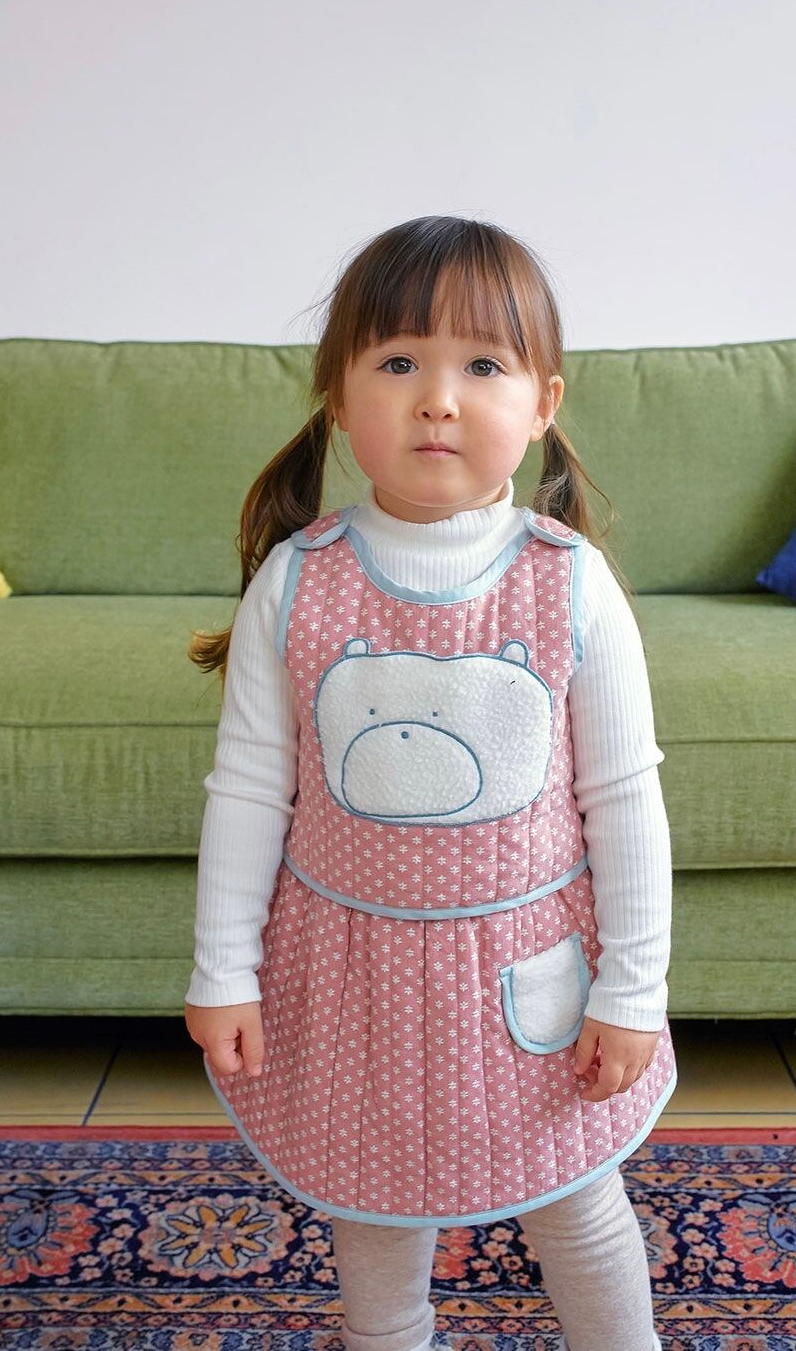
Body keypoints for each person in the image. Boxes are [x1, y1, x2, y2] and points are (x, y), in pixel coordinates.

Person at [184, 215, 677, 1351]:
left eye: (483, 365)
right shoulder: (296, 585)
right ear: (338, 396)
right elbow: (249, 789)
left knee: (576, 1205)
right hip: (345, 977)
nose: (438, 400)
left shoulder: (571, 584)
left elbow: (624, 799)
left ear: (543, 403)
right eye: (399, 361)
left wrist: (633, 988)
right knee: (371, 1216)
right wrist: (223, 966)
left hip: (531, 983)